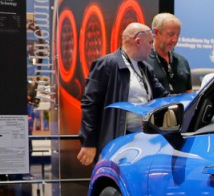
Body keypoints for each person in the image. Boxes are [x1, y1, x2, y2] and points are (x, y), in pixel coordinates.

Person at [77, 22, 166, 166]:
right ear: (138, 42)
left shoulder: (145, 69)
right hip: (116, 142)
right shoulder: (107, 64)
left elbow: (164, 97)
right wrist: (88, 143)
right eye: (150, 42)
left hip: (143, 142)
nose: (152, 47)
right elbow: (90, 105)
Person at [146, 12, 192, 94]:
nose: (175, 40)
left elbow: (189, 92)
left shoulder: (182, 61)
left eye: (177, 35)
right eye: (170, 35)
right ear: (156, 32)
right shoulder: (144, 61)